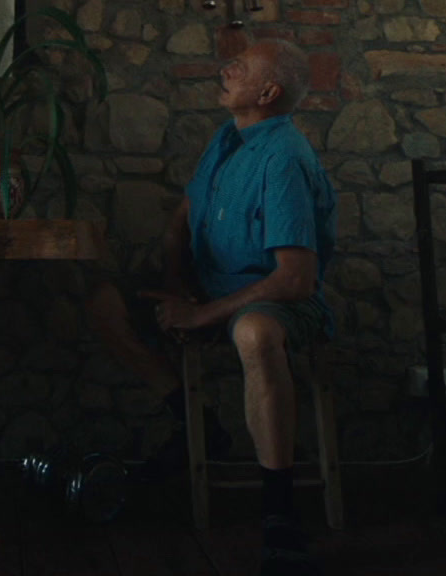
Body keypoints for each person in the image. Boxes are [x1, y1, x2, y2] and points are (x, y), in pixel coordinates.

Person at [87, 38, 336, 576]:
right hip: (209, 293)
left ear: (267, 93)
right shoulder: (227, 139)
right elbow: (182, 218)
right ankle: (193, 418)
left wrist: (203, 315)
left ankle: (280, 514)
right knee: (104, 303)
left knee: (255, 334)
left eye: (239, 67)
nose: (226, 69)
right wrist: (180, 290)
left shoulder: (284, 157)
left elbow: (294, 278)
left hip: (274, 301)